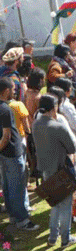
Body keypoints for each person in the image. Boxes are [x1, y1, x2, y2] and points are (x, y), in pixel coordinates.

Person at [32, 94, 76, 246]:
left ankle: (52, 238)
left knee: (54, 204)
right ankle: (66, 239)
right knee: (65, 206)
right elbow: (72, 148)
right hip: (61, 171)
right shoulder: (58, 126)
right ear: (54, 107)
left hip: (46, 170)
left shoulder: (36, 124)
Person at [0, 77, 39, 230]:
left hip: (5, 153)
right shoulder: (5, 109)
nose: (15, 91)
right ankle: (22, 220)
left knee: (8, 186)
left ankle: (13, 216)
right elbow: (6, 135)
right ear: (6, 91)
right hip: (12, 152)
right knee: (17, 187)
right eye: (13, 89)